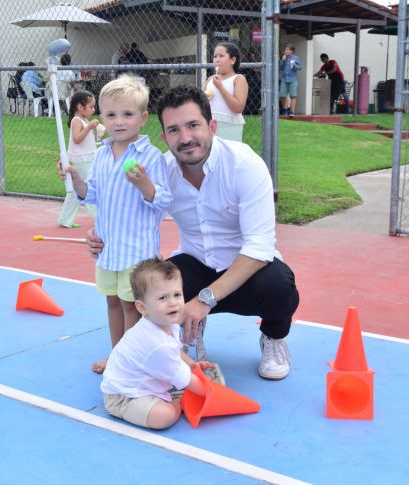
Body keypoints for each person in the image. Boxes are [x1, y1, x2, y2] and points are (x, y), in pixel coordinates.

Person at [79, 85, 300, 381]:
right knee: (152, 284)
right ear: (164, 137)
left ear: (212, 126)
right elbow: (126, 207)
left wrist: (204, 300)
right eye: (174, 130)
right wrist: (98, 234)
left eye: (193, 125)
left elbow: (259, 247)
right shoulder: (162, 169)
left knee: (279, 286)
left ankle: (273, 337)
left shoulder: (244, 165)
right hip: (195, 263)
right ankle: (181, 337)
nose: (185, 138)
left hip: (247, 273)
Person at [58, 75, 172, 374]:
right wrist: (75, 178)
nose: (118, 121)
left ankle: (131, 361)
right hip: (108, 248)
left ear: (143, 118)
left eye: (127, 114)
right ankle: (117, 354)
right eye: (110, 114)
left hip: (136, 251)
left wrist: (145, 184)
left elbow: (162, 201)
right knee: (112, 302)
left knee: (131, 306)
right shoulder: (102, 154)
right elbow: (90, 193)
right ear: (101, 118)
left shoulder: (151, 157)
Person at [101, 257, 214, 429]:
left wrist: (192, 364)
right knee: (164, 417)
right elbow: (190, 381)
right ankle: (177, 405)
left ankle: (170, 398)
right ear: (142, 308)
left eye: (177, 294)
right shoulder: (156, 343)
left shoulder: (166, 325)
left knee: (180, 384)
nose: (173, 303)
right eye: (162, 298)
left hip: (141, 386)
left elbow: (176, 353)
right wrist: (213, 392)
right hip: (124, 396)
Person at [57, 90, 103, 229]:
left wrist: (98, 134)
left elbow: (86, 141)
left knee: (75, 191)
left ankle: (65, 219)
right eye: (91, 107)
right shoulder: (77, 121)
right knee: (89, 189)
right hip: (82, 161)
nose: (93, 110)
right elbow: (77, 139)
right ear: (80, 107)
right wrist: (89, 127)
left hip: (87, 159)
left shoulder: (84, 120)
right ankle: (100, 221)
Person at [203, 41, 248, 142]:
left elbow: (238, 108)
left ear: (232, 60)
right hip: (210, 125)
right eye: (215, 56)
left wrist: (220, 87)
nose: (217, 59)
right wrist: (204, 98)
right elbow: (203, 105)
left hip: (230, 127)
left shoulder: (238, 79)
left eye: (221, 56)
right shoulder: (210, 80)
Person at [279, 44, 303, 117]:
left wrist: (295, 64)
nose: (285, 51)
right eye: (285, 49)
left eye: (287, 50)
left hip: (293, 79)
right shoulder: (284, 58)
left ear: (291, 51)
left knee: (293, 95)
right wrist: (282, 60)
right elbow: (280, 68)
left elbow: (300, 67)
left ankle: (292, 111)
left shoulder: (296, 58)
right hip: (284, 79)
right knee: (282, 95)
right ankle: (285, 109)